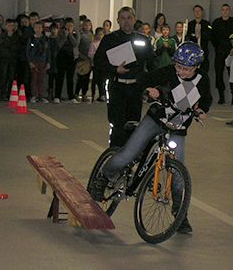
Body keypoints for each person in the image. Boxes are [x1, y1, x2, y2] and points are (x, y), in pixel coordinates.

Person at [91, 41, 212, 233]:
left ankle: (180, 215)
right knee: (127, 155)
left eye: (187, 69)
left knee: (179, 174)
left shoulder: (202, 79)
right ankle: (103, 178)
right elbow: (143, 80)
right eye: (178, 67)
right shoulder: (168, 72)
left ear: (197, 67)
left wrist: (201, 109)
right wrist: (150, 90)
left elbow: (206, 98)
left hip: (178, 128)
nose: (181, 72)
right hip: (156, 120)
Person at [94, 6, 155, 147]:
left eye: (129, 18)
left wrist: (153, 84)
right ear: (118, 21)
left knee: (133, 124)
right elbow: (98, 62)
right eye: (123, 18)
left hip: (135, 88)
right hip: (117, 86)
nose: (126, 21)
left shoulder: (143, 39)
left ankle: (130, 157)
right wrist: (115, 69)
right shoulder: (110, 39)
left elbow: (152, 62)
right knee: (117, 125)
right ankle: (115, 156)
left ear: (134, 20)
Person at [212, 4, 233, 104]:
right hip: (219, 52)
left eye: (227, 9)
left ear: (229, 10)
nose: (225, 11)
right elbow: (213, 37)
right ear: (221, 11)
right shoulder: (216, 22)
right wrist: (218, 47)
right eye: (223, 10)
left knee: (232, 75)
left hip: (231, 52)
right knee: (219, 74)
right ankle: (221, 97)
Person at [54, 17, 80, 104]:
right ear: (65, 25)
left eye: (71, 25)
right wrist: (65, 35)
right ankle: (57, 96)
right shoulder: (60, 33)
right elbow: (59, 44)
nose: (70, 27)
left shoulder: (76, 33)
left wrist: (70, 34)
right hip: (61, 57)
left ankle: (71, 97)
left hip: (72, 57)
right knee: (60, 77)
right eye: (68, 25)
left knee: (70, 78)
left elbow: (75, 44)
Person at [27, 21, 50, 103]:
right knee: (34, 79)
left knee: (42, 79)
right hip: (34, 61)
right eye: (36, 27)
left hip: (43, 61)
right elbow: (28, 51)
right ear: (34, 28)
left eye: (40, 27)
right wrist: (30, 61)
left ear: (42, 29)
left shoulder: (46, 39)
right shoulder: (32, 39)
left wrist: (48, 62)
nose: (38, 29)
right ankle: (34, 95)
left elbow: (48, 52)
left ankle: (41, 96)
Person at [0, 19, 20, 100]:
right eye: (9, 25)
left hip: (13, 58)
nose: (11, 27)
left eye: (12, 26)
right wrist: (9, 37)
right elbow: (3, 45)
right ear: (6, 26)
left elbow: (16, 47)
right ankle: (2, 93)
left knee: (11, 76)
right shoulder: (2, 35)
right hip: (4, 58)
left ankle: (10, 93)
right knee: (3, 75)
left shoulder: (17, 36)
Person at [187, 5, 213, 74]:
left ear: (202, 12)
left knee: (203, 70)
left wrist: (201, 34)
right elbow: (188, 36)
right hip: (193, 52)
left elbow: (209, 36)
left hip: (203, 50)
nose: (197, 12)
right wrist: (194, 35)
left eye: (199, 11)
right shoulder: (190, 24)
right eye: (195, 11)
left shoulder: (207, 24)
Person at [75, 19, 93, 102]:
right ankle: (76, 93)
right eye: (86, 25)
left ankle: (84, 94)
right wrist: (81, 55)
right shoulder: (80, 34)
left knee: (87, 78)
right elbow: (77, 46)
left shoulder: (92, 35)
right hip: (81, 59)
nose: (87, 27)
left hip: (89, 60)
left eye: (89, 25)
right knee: (80, 78)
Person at [89, 27, 105, 102]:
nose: (100, 36)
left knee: (101, 80)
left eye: (101, 34)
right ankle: (93, 94)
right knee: (95, 80)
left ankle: (102, 94)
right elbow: (90, 54)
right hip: (95, 65)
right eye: (99, 34)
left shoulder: (104, 44)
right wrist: (96, 55)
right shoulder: (93, 44)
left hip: (102, 65)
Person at [47, 23, 59, 101]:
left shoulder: (59, 39)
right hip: (50, 61)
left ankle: (56, 95)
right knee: (50, 78)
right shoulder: (48, 40)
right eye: (52, 29)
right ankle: (50, 94)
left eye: (55, 29)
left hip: (58, 61)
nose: (54, 31)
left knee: (57, 79)